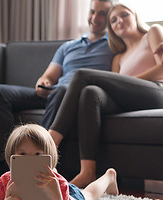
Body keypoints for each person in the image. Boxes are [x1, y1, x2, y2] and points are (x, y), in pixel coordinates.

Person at [0, 0, 114, 177]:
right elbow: (49, 76)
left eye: (102, 13)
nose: (95, 17)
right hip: (55, 93)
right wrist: (43, 83)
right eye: (92, 11)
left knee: (62, 90)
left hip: (77, 96)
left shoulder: (114, 46)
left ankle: (41, 156)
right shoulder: (69, 46)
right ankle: (7, 162)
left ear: (110, 17)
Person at [49, 3, 163, 188]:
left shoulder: (152, 33)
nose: (119, 21)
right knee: (90, 92)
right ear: (111, 29)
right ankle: (87, 172)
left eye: (124, 15)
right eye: (113, 20)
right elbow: (118, 89)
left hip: (156, 93)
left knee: (82, 75)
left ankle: (50, 139)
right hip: (131, 100)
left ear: (135, 16)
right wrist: (125, 82)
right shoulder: (118, 57)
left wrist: (131, 80)